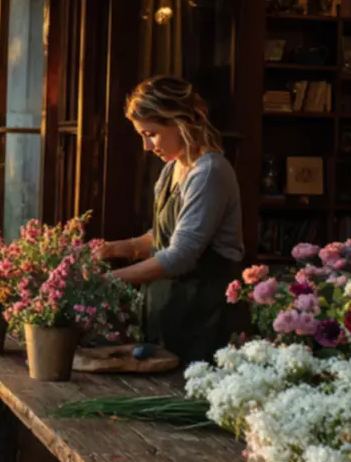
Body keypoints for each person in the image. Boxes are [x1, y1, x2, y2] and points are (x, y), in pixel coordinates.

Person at [96, 75, 247, 364]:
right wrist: (116, 248)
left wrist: (107, 281)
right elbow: (162, 236)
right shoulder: (173, 169)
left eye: (150, 134)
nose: (147, 146)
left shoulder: (209, 172)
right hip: (169, 315)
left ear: (179, 123)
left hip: (203, 320)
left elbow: (181, 256)